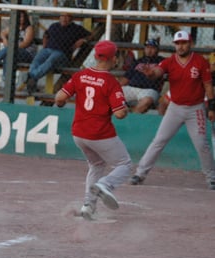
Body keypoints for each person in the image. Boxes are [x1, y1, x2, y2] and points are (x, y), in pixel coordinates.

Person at [55, 40, 131, 220]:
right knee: (124, 164)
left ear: (96, 57)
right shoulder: (111, 82)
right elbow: (120, 114)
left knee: (96, 165)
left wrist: (60, 103)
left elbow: (59, 97)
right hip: (99, 133)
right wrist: (125, 108)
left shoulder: (81, 75)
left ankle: (88, 206)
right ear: (113, 59)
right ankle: (105, 185)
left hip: (79, 133)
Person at [130, 31, 215, 190]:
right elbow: (157, 72)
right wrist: (150, 74)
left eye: (184, 43)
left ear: (190, 44)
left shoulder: (200, 62)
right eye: (178, 43)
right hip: (175, 108)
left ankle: (212, 178)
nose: (181, 46)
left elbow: (208, 86)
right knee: (159, 141)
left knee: (202, 144)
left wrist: (211, 107)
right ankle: (140, 173)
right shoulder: (170, 61)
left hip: (195, 109)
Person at [26, 13, 91, 95]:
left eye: (67, 16)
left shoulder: (76, 28)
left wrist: (83, 40)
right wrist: (44, 44)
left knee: (51, 60)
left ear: (71, 18)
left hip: (62, 54)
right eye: (62, 16)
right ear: (59, 17)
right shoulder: (54, 26)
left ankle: (31, 76)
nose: (64, 18)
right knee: (37, 59)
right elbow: (46, 34)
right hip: (48, 49)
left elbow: (90, 35)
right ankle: (32, 82)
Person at [0, 10, 36, 78]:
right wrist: (5, 40)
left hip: (27, 54)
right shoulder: (14, 27)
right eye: (19, 17)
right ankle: (6, 79)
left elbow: (25, 44)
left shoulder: (29, 28)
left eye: (22, 17)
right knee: (7, 56)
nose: (20, 18)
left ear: (25, 18)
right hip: (14, 52)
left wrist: (11, 48)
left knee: (9, 51)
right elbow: (3, 33)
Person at [119, 38, 165, 113]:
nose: (149, 50)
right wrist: (114, 88)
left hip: (149, 90)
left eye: (152, 48)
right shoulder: (138, 61)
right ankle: (125, 115)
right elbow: (126, 78)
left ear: (157, 49)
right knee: (113, 95)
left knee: (146, 101)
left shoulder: (161, 61)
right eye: (147, 47)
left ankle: (132, 120)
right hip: (131, 88)